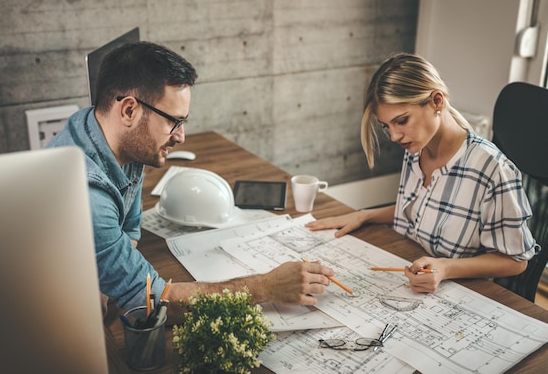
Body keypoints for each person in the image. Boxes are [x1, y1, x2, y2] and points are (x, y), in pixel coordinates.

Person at [48, 41, 333, 320]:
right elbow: (152, 302)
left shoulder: (110, 132)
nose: (180, 136)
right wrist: (267, 287)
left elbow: (131, 229)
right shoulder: (89, 197)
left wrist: (108, 273)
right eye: (173, 121)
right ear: (129, 110)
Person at [305, 53, 539, 293]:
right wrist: (365, 215)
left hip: (464, 292)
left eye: (402, 121)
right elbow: (423, 208)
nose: (394, 136)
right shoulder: (417, 146)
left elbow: (516, 261)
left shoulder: (491, 170)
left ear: (437, 101)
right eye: (387, 126)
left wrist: (447, 268)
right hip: (412, 272)